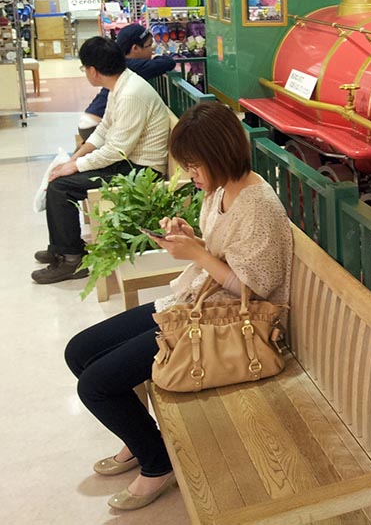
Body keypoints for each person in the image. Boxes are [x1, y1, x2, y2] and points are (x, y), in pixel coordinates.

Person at [64, 102, 294, 511]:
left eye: (193, 166)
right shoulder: (222, 188)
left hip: (226, 325)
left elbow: (254, 290)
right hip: (197, 304)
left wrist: (198, 256)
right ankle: (142, 442)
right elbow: (227, 255)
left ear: (219, 156)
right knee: (79, 352)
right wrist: (193, 242)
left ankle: (157, 462)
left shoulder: (257, 204)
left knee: (95, 386)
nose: (190, 175)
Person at [33, 37, 171, 284]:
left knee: (61, 186)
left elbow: (116, 151)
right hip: (129, 162)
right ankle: (61, 248)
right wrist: (76, 156)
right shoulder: (119, 85)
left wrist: (73, 166)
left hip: (141, 171)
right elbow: (105, 127)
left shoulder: (130, 94)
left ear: (93, 71)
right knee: (62, 179)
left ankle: (71, 258)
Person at [78, 24, 176, 142]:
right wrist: (157, 57)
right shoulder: (133, 66)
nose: (152, 50)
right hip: (95, 127)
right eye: (149, 45)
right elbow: (168, 62)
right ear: (135, 48)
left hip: (90, 122)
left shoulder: (123, 66)